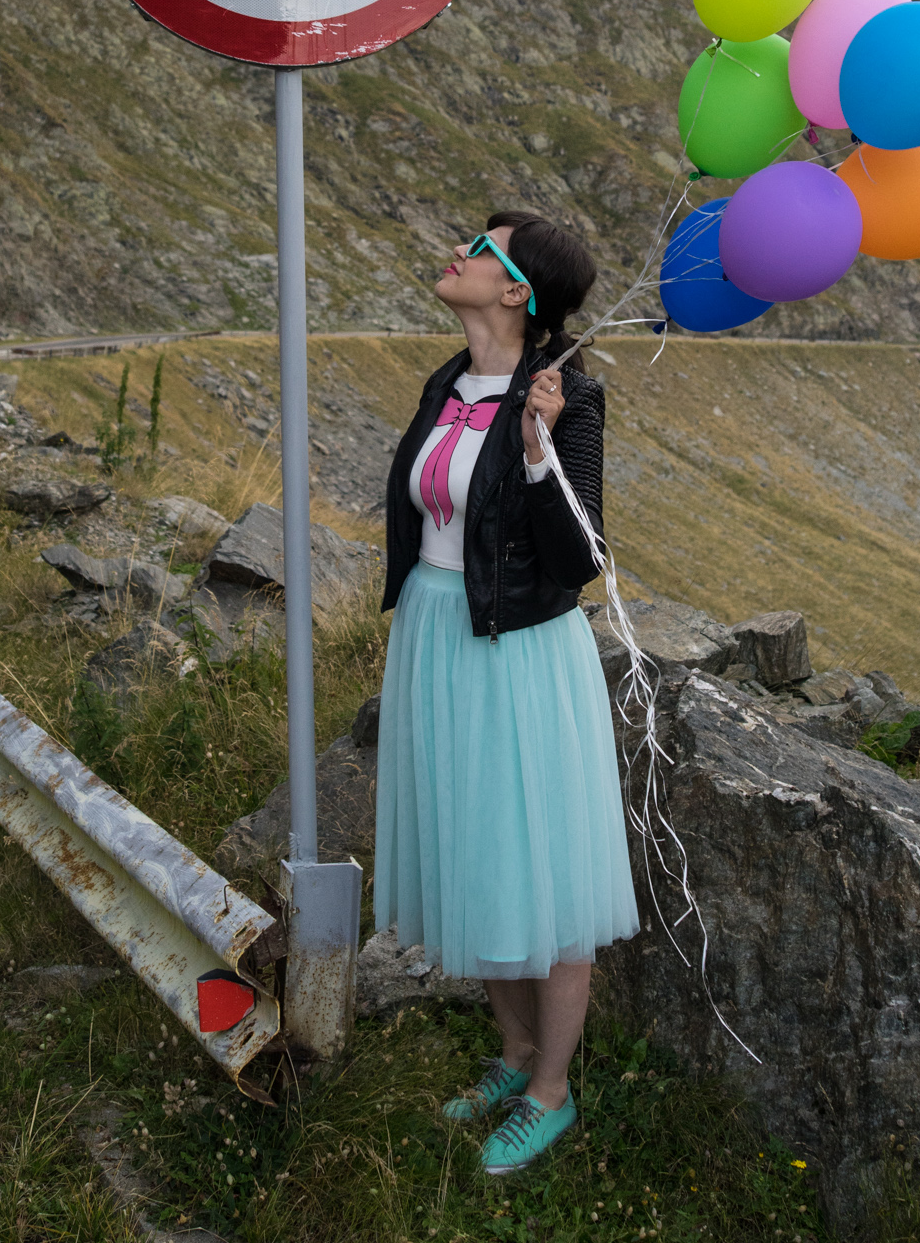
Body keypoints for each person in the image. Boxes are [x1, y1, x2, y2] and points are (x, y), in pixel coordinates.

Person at [374, 208, 638, 1174]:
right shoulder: (445, 383)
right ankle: (515, 1050)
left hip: (521, 651)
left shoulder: (570, 399)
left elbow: (581, 558)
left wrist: (539, 450)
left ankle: (551, 1090)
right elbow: (426, 516)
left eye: (480, 248)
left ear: (517, 291)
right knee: (468, 846)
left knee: (548, 866)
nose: (458, 252)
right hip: (439, 637)